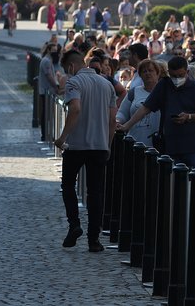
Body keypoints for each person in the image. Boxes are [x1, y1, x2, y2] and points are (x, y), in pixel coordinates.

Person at [55, 48, 117, 253]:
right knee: (95, 192)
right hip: (99, 146)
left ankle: (74, 224)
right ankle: (94, 240)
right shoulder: (107, 85)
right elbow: (111, 120)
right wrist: (107, 144)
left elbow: (76, 109)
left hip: (76, 145)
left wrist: (63, 137)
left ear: (72, 66)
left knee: (68, 185)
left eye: (67, 69)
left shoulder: (74, 82)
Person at [117, 56, 195, 170]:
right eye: (174, 76)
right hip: (171, 146)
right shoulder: (164, 85)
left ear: (187, 72)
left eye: (180, 75)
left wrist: (188, 117)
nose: (177, 79)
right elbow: (146, 108)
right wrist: (126, 126)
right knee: (172, 184)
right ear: (168, 73)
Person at [115, 59, 164, 147]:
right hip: (134, 141)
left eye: (150, 70)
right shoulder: (133, 92)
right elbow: (122, 113)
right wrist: (118, 121)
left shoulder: (165, 93)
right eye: (144, 71)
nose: (147, 73)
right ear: (140, 75)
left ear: (157, 73)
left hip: (157, 144)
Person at [37, 42, 64, 142]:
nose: (56, 53)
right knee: (46, 114)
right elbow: (49, 76)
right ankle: (45, 135)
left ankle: (47, 134)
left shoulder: (48, 60)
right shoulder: (46, 61)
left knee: (49, 114)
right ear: (48, 50)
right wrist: (56, 86)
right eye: (54, 50)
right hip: (46, 91)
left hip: (48, 91)